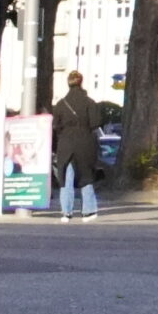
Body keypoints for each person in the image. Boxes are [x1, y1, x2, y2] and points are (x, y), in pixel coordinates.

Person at [51, 71, 105, 220]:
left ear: (68, 83)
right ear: (81, 82)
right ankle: (88, 211)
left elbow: (56, 126)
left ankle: (66, 212)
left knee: (66, 178)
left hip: (66, 144)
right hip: (85, 142)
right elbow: (95, 123)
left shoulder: (61, 104)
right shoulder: (89, 102)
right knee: (86, 176)